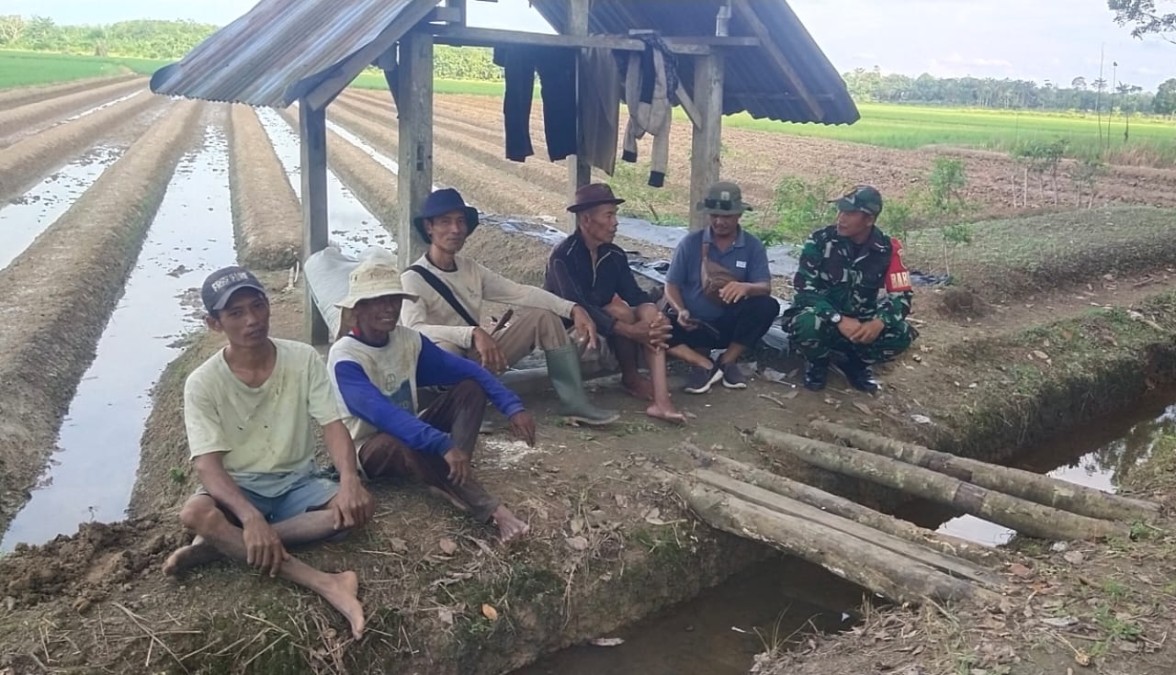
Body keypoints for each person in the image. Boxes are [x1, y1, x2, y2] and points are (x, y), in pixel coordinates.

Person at [163, 266, 372, 641]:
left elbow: (333, 425)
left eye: (258, 306)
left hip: (298, 481)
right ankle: (326, 583)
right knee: (195, 511)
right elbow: (209, 468)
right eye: (236, 313)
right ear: (214, 324)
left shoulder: (302, 359)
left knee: (355, 510)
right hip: (240, 487)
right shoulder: (203, 383)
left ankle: (223, 545)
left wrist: (349, 480)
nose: (253, 320)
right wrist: (249, 515)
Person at [328, 257, 535, 543]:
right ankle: (494, 512)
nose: (389, 308)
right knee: (404, 438)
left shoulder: (409, 340)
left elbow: (469, 370)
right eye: (378, 301)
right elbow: (384, 415)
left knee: (469, 387)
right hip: (370, 448)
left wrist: (512, 406)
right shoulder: (345, 357)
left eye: (394, 299)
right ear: (358, 309)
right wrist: (442, 443)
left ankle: (456, 471)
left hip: (410, 430)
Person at [400, 187, 618, 426]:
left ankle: (574, 403)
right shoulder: (414, 278)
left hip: (475, 358)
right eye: (445, 222)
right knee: (448, 347)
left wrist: (572, 308)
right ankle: (455, 412)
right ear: (429, 227)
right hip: (437, 369)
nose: (455, 229)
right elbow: (415, 329)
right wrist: (471, 333)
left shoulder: (470, 269)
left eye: (460, 221)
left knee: (543, 318)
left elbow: (520, 292)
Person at [545, 183, 685, 424]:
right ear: (587, 220)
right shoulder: (563, 256)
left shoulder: (614, 255)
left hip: (603, 324)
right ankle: (631, 378)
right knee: (619, 312)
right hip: (567, 331)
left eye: (615, 215)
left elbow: (634, 294)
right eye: (608, 216)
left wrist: (654, 315)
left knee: (646, 315)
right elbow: (578, 306)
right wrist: (630, 330)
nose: (615, 223)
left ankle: (661, 402)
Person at [782, 185, 918, 393]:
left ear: (869, 220)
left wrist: (879, 322)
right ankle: (818, 364)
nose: (841, 218)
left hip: (860, 325)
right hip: (825, 319)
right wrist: (837, 318)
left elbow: (903, 295)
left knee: (901, 333)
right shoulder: (820, 241)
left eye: (850, 213)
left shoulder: (887, 249)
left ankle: (856, 364)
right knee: (806, 323)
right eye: (840, 211)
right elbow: (804, 291)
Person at [662, 181, 780, 394]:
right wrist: (681, 310)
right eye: (714, 215)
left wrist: (746, 287)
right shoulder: (690, 243)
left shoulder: (752, 246)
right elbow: (671, 285)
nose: (719, 221)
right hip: (694, 323)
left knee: (767, 306)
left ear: (738, 216)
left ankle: (727, 360)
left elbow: (765, 286)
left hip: (729, 325)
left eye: (726, 216)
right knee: (657, 325)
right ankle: (703, 364)